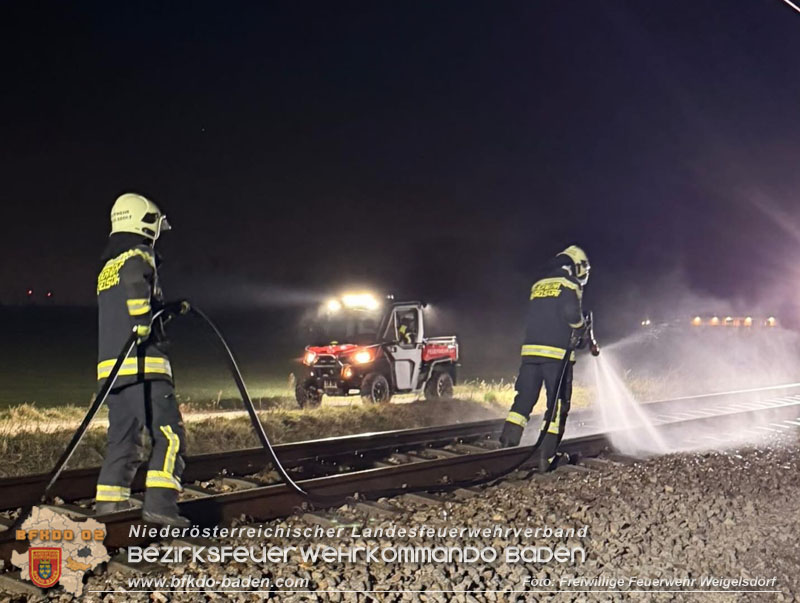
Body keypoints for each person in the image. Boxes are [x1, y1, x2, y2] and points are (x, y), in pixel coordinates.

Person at [94, 193, 190, 526]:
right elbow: (137, 284)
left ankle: (110, 504)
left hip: (113, 373)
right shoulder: (139, 254)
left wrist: (164, 309)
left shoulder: (109, 265)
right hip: (144, 367)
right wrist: (143, 320)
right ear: (145, 221)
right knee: (170, 436)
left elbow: (124, 301)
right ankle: (162, 507)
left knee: (123, 437)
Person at [499, 245, 594, 472]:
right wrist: (581, 328)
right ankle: (547, 458)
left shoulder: (539, 285)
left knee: (522, 403)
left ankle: (505, 447)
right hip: (556, 356)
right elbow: (572, 315)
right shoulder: (569, 284)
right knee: (556, 407)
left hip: (531, 354)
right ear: (577, 267)